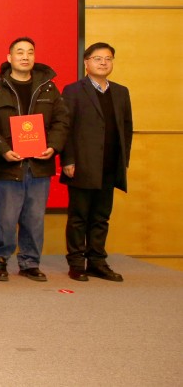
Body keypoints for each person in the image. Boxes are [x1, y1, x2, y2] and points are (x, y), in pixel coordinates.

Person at [0, 37, 69, 282]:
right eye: (19, 52)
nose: (25, 56)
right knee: (5, 217)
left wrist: (53, 146)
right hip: (7, 164)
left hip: (39, 164)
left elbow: (62, 121)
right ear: (9, 58)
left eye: (30, 52)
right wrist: (3, 149)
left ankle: (30, 262)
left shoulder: (49, 88)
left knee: (34, 217)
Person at [61, 42, 133, 282]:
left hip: (110, 165)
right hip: (82, 165)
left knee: (101, 217)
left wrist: (123, 161)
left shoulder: (121, 92)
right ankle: (76, 263)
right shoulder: (73, 90)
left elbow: (126, 128)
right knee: (79, 217)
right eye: (98, 58)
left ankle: (97, 261)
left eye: (108, 59)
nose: (103, 63)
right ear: (86, 62)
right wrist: (68, 159)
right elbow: (65, 128)